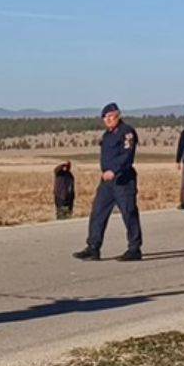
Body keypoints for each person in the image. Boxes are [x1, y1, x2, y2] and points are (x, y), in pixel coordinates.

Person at [73, 103, 143, 262]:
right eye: (105, 118)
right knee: (98, 212)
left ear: (118, 115)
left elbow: (127, 155)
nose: (108, 120)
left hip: (123, 180)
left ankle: (134, 248)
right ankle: (93, 247)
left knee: (129, 212)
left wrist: (115, 170)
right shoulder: (107, 135)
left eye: (111, 116)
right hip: (107, 182)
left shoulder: (127, 133)